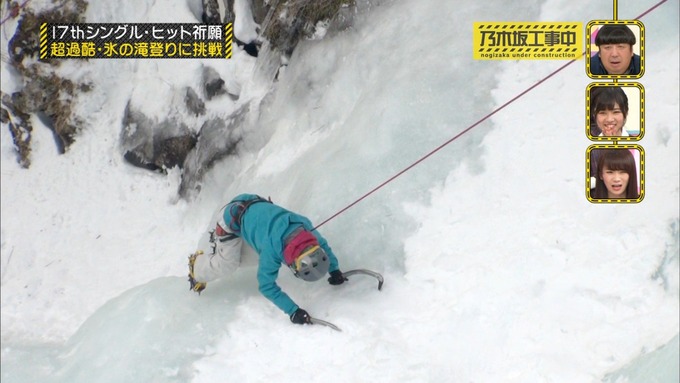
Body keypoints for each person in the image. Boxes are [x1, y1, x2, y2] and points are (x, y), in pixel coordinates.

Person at [187, 193, 348, 325]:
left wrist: (334, 270)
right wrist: (292, 311)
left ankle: (227, 247)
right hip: (230, 219)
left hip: (252, 203)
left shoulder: (305, 228)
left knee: (257, 255)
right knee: (230, 264)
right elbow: (266, 285)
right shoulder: (271, 250)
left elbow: (324, 246)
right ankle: (198, 267)